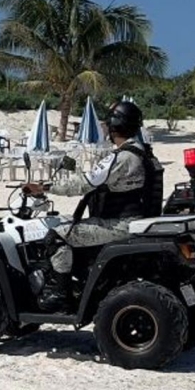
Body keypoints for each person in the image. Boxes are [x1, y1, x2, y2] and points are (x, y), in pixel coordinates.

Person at [22, 100, 163, 310]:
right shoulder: (147, 156)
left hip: (119, 225)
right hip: (140, 222)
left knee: (56, 236)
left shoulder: (121, 157)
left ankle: (61, 293)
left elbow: (84, 183)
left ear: (114, 127)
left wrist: (44, 188)